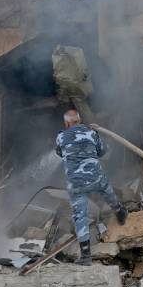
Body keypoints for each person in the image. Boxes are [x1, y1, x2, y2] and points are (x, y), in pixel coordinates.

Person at [56, 109, 128, 265]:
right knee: (107, 189)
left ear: (67, 123)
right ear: (80, 120)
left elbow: (60, 153)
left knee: (79, 216)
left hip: (76, 182)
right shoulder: (91, 133)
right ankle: (119, 211)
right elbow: (102, 152)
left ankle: (86, 256)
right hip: (95, 175)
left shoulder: (61, 136)